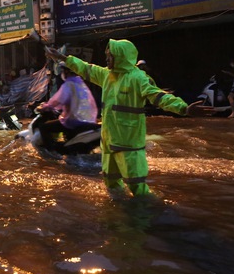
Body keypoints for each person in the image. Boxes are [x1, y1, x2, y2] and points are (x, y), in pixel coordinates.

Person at [45, 39, 213, 197]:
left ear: (120, 56)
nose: (107, 59)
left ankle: (148, 213)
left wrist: (184, 108)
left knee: (137, 185)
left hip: (129, 142)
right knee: (111, 182)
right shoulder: (107, 75)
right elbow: (85, 68)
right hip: (109, 140)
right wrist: (62, 57)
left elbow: (159, 97)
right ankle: (119, 214)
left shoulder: (138, 78)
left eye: (110, 56)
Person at [36, 62, 98, 151]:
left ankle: (51, 152)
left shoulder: (68, 85)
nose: (62, 73)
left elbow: (57, 101)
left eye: (63, 71)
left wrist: (45, 107)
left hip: (75, 121)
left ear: (67, 72)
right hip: (88, 120)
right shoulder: (81, 84)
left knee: (43, 127)